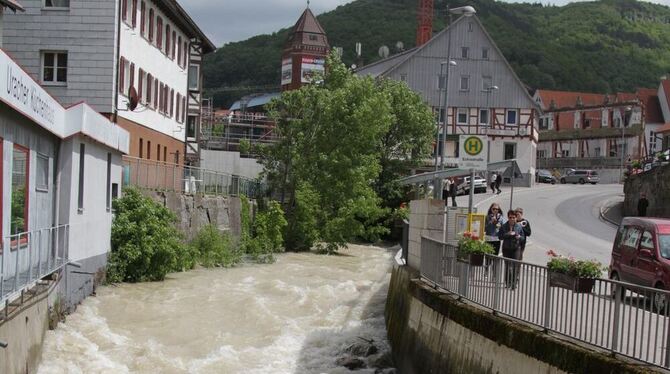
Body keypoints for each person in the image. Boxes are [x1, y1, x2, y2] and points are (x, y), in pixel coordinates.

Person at [498, 209, 524, 289]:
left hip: (516, 249)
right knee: (508, 266)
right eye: (510, 217)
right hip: (506, 249)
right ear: (508, 217)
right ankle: (507, 282)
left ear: (516, 218)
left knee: (515, 266)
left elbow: (523, 238)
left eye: (513, 217)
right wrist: (507, 234)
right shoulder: (504, 226)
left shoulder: (519, 226)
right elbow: (500, 237)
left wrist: (519, 237)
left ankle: (513, 283)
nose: (512, 219)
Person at [484, 203, 504, 277]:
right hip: (489, 238)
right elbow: (485, 228)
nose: (495, 210)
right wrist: (491, 222)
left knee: (495, 257)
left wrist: (496, 223)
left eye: (497, 209)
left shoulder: (501, 217)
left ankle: (494, 274)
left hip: (496, 239)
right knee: (488, 256)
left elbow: (501, 227)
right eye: (494, 209)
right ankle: (486, 271)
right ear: (491, 209)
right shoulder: (488, 217)